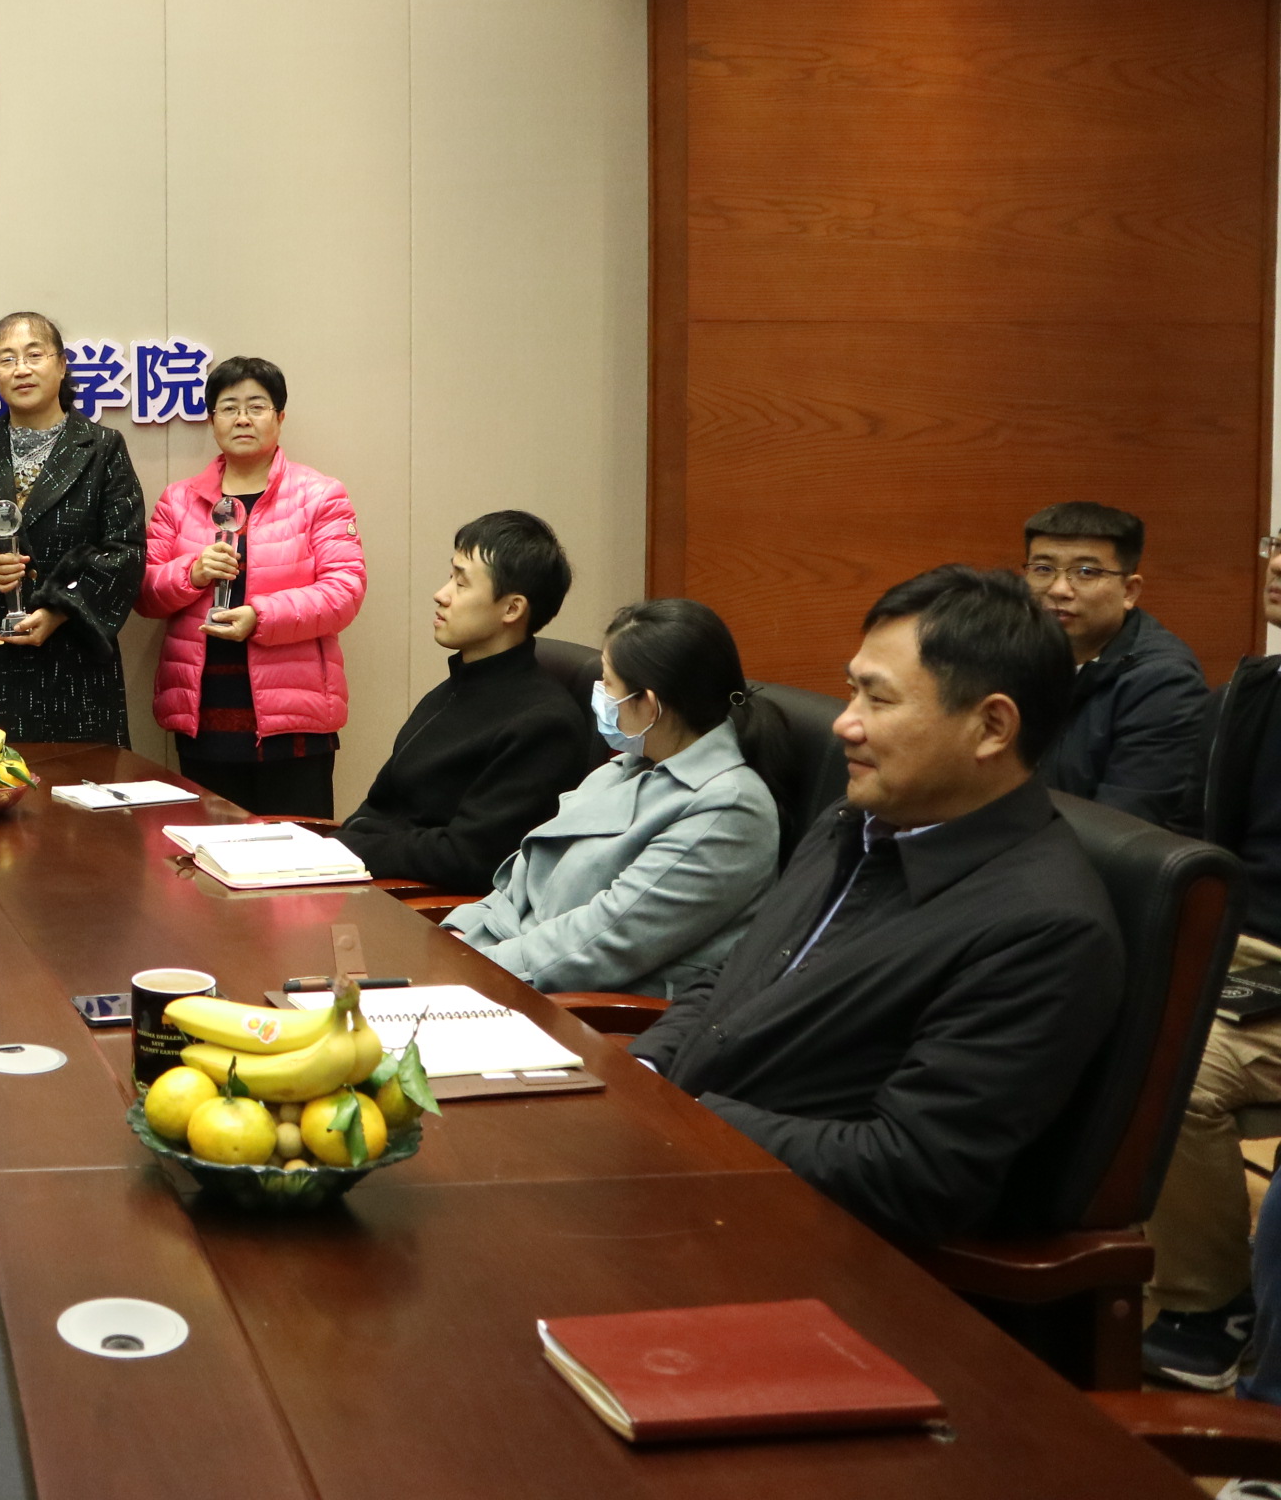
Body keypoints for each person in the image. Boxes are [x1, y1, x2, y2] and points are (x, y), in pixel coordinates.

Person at [630, 566, 1125, 1245]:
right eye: (851, 689)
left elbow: (913, 1174)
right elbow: (734, 974)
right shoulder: (855, 820)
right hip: (680, 1166)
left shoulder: (1044, 929)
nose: (845, 723)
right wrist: (643, 1073)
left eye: (879, 699)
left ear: (991, 727)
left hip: (785, 1239)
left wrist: (686, 1115)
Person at [440, 599, 786, 997]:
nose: (600, 695)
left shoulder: (729, 809)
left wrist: (467, 970)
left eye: (607, 683)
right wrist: (453, 938)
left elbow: (602, 940)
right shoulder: (629, 765)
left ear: (649, 706)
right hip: (509, 971)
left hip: (584, 1009)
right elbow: (520, 882)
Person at [1139, 531, 1281, 1388]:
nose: (1280, 565)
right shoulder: (1249, 693)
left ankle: (1209, 1302)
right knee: (1091, 1010)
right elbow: (1196, 837)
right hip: (1242, 948)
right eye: (1280, 544)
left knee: (1180, 1070)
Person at [137, 356, 366, 816]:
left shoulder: (319, 494)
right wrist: (191, 573)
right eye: (229, 407)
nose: (242, 418)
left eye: (256, 406)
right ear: (212, 420)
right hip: (203, 714)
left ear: (279, 417)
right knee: (207, 851)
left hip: (294, 718)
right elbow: (143, 593)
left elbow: (344, 590)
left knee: (296, 850)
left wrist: (260, 617)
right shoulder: (178, 500)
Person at [334, 512, 604, 892]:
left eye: (461, 584)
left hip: (429, 909)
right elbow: (381, 807)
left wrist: (347, 851)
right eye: (450, 577)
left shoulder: (544, 724)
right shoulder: (452, 689)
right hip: (366, 879)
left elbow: (470, 856)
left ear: (512, 609)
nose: (441, 594)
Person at [0, 312, 146, 747]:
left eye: (34, 355)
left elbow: (126, 552)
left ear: (61, 365)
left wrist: (60, 611)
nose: (21, 369)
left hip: (73, 660)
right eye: (7, 359)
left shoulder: (103, 447)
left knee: (77, 786)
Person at [1023, 501, 1207, 823]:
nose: (1059, 589)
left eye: (1086, 572)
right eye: (1043, 569)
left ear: (1129, 591)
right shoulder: (1013, 652)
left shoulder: (1165, 684)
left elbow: (1119, 827)